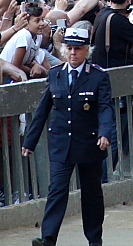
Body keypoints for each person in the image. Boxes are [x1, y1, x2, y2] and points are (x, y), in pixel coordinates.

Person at [22, 27, 115, 246]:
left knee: (91, 194)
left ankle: (94, 240)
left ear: (86, 51)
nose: (73, 53)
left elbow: (105, 108)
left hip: (89, 143)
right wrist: (30, 141)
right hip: (61, 143)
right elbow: (43, 109)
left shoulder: (98, 76)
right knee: (57, 190)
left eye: (78, 49)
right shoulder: (56, 73)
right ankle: (48, 238)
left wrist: (104, 134)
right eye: (69, 48)